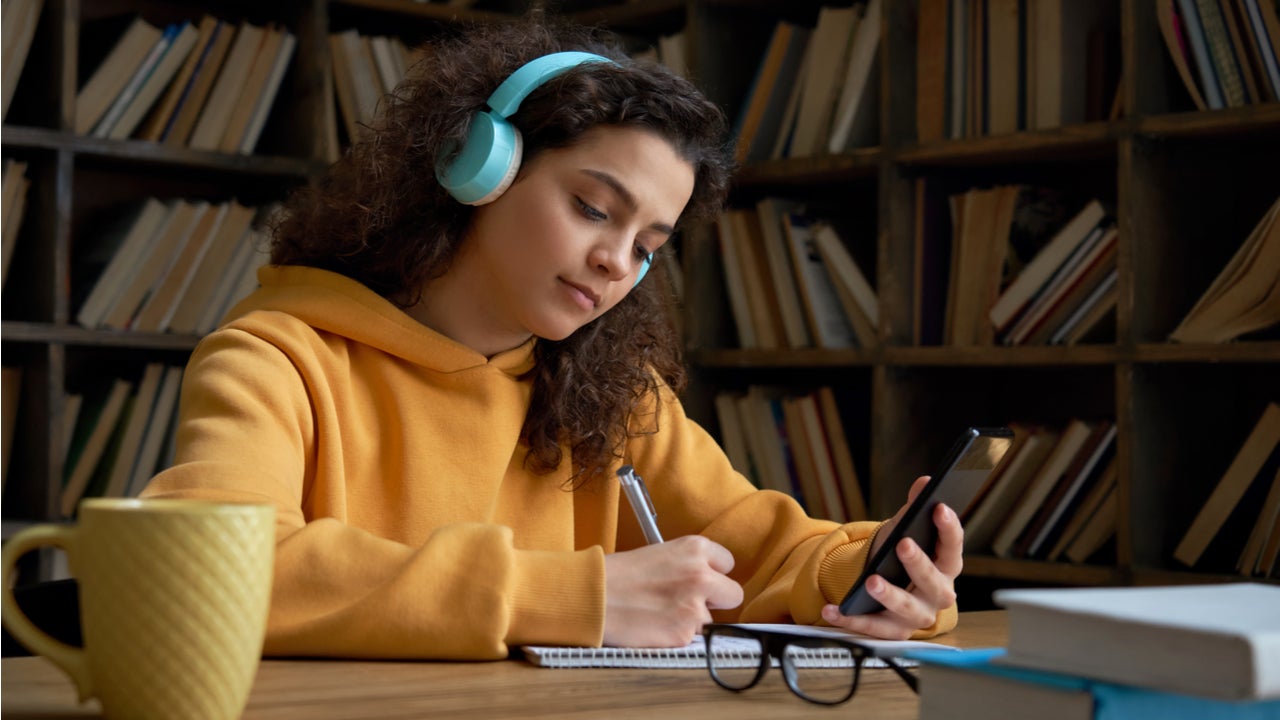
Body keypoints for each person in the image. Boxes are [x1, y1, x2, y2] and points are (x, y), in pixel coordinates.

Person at [140, 15, 962, 660]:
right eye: (594, 209)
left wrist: (877, 578)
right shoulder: (279, 360)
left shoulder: (616, 396)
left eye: (647, 247)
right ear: (480, 168)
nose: (614, 262)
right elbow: (208, 574)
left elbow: (765, 548)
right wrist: (575, 598)